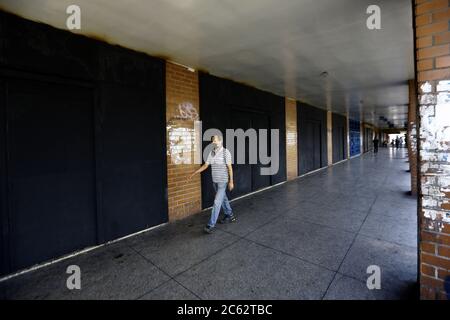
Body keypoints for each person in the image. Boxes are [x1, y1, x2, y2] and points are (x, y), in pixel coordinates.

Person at [188, 135, 236, 234]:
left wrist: (231, 181)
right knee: (223, 199)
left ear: (221, 141)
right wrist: (195, 173)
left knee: (217, 202)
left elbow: (230, 168)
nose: (214, 142)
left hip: (223, 181)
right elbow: (206, 165)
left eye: (216, 141)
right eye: (213, 141)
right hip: (215, 182)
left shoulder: (225, 152)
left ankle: (210, 224)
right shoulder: (212, 153)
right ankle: (230, 215)